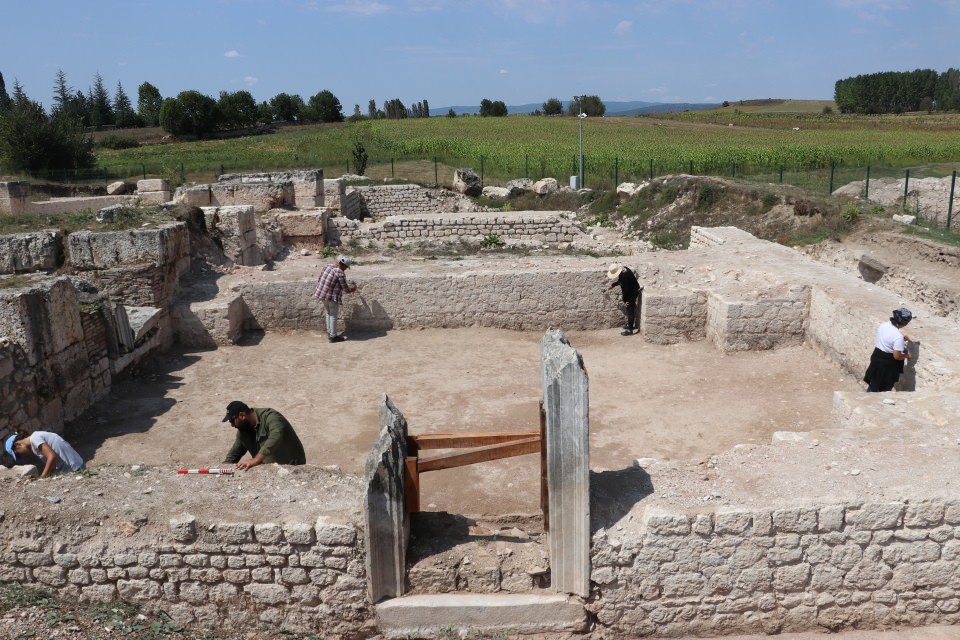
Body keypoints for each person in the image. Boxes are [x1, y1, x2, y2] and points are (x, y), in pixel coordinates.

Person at [222, 401, 306, 470]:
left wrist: (256, 460)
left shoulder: (271, 417)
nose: (232, 425)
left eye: (232, 421)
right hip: (270, 472)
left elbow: (276, 436)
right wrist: (221, 469)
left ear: (242, 415)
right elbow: (234, 453)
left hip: (293, 468)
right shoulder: (244, 430)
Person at [863, 307, 914, 392]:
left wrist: (900, 338)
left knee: (874, 384)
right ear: (904, 323)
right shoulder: (897, 336)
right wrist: (907, 355)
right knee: (882, 389)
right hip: (886, 366)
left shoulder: (884, 325)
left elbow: (888, 337)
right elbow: (897, 356)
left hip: (876, 357)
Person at [4, 430, 86, 478]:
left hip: (74, 469)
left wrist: (42, 478)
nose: (21, 456)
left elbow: (52, 457)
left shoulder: (35, 439)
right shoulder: (36, 439)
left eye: (18, 454)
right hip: (76, 466)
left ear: (17, 444)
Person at [313, 255, 358, 343]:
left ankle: (329, 333)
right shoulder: (340, 273)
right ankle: (333, 337)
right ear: (344, 265)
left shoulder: (328, 266)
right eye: (346, 267)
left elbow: (320, 277)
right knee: (333, 315)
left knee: (328, 313)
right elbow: (346, 289)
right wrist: (353, 289)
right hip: (331, 297)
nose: (345, 269)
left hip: (321, 293)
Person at [606, 262, 642, 336]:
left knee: (630, 311)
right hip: (633, 290)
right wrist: (613, 285)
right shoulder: (624, 269)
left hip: (632, 293)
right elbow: (620, 281)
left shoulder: (624, 276)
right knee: (630, 310)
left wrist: (625, 301)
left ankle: (630, 330)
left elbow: (625, 290)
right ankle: (630, 325)